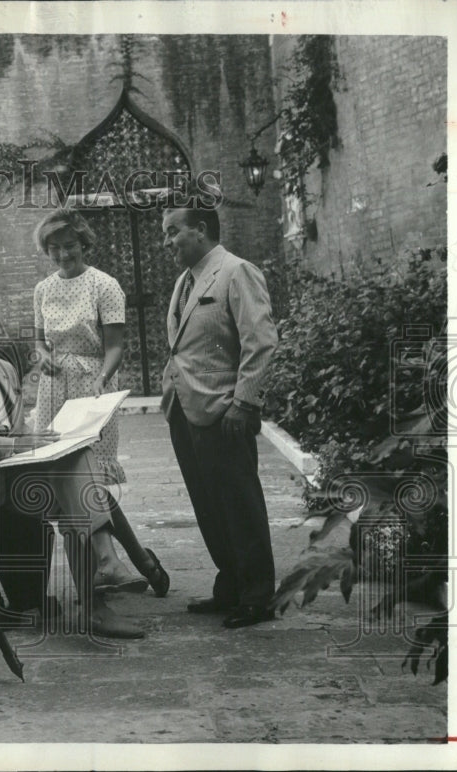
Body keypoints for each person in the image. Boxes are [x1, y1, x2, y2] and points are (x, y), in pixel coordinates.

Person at [0, 286, 149, 638]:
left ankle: (100, 592)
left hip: (10, 473)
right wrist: (19, 447)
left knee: (75, 463)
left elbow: (16, 429)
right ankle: (101, 586)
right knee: (76, 482)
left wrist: (45, 438)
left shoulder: (3, 366)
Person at [32, 209, 169, 596]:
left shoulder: (104, 285)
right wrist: (42, 354)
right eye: (54, 248)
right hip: (53, 391)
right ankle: (134, 561)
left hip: (92, 391)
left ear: (84, 244)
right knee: (73, 480)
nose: (63, 255)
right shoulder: (42, 289)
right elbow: (39, 341)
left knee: (92, 477)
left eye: (70, 246)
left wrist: (100, 379)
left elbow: (115, 348)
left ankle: (121, 564)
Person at [159, 193, 278, 629]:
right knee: (208, 503)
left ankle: (258, 594)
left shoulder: (236, 272)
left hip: (225, 410)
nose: (167, 241)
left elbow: (260, 341)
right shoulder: (186, 280)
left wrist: (245, 403)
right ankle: (230, 584)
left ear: (201, 229)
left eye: (173, 231)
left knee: (238, 502)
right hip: (184, 409)